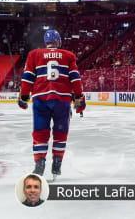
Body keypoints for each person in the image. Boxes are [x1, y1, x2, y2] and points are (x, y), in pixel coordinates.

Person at [18, 30, 86, 178]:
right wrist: (79, 98)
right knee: (60, 132)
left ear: (46, 42)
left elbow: (28, 76)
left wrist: (23, 96)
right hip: (62, 100)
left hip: (41, 99)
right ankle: (57, 162)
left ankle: (39, 164)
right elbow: (75, 79)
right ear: (58, 41)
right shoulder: (68, 55)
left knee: (40, 133)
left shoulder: (34, 54)